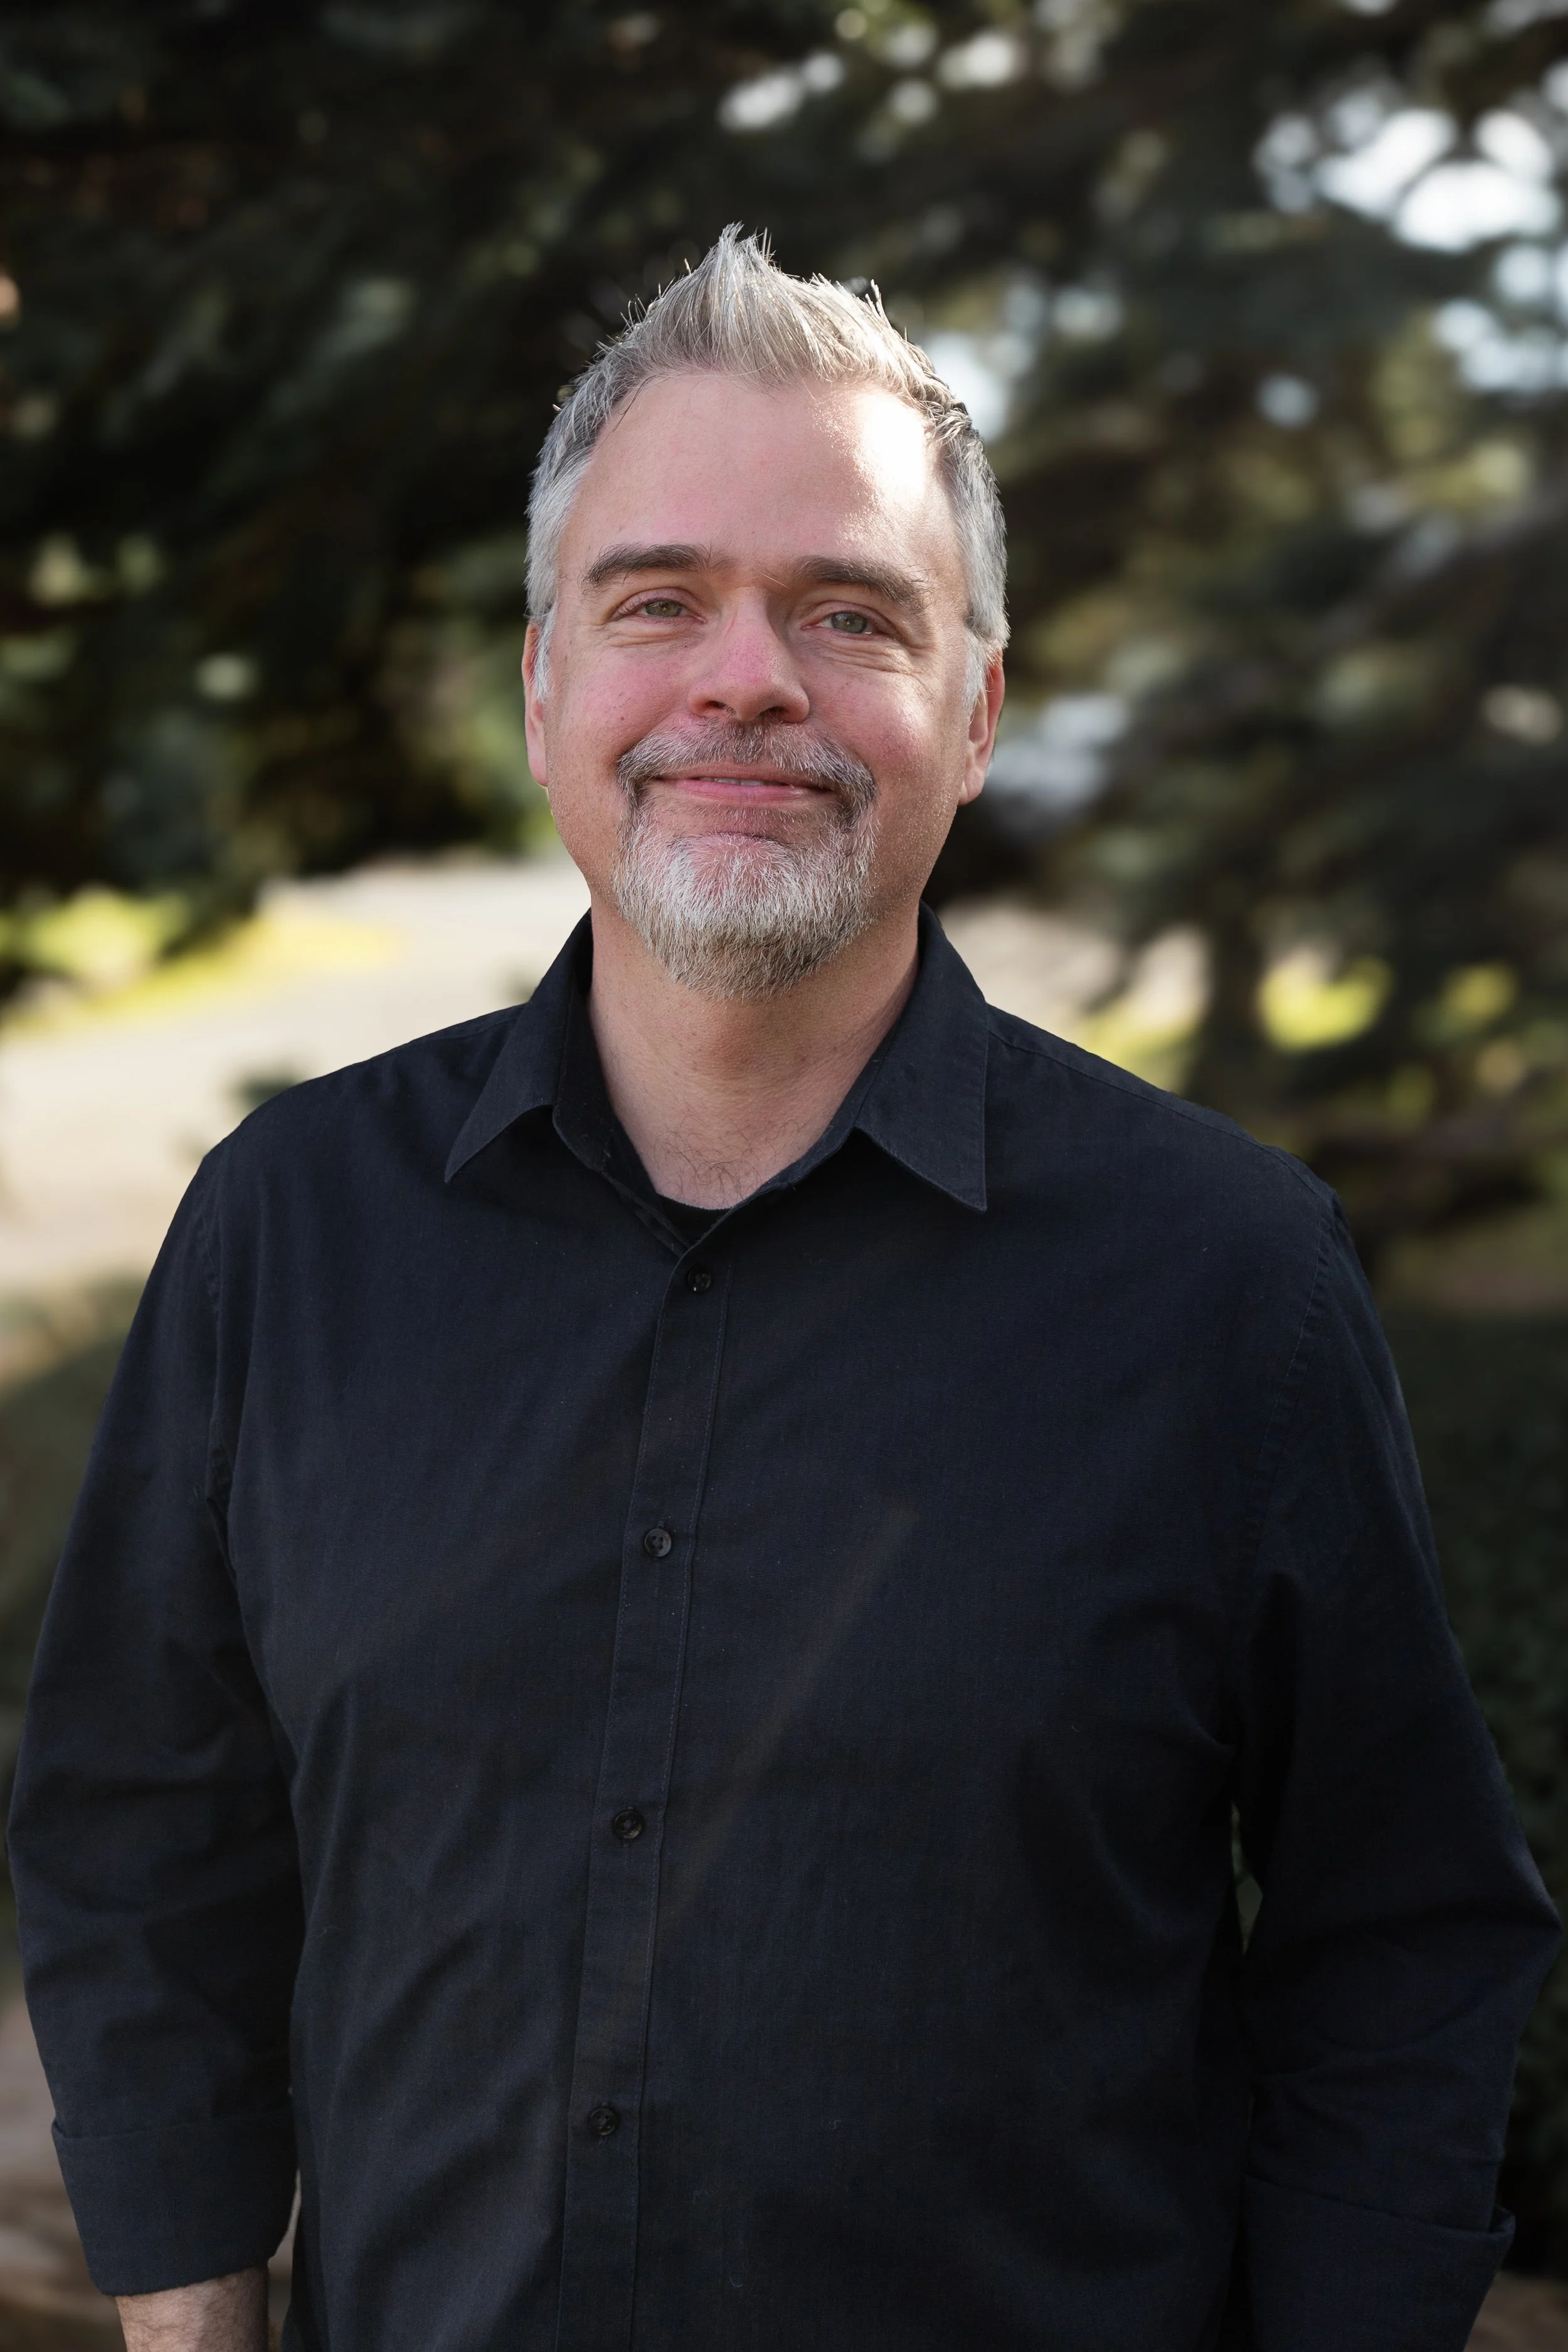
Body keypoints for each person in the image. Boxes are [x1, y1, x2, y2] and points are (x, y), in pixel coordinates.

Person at [9, 227, 1557, 2352]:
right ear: (546, 679)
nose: (747, 677)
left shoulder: (1225, 1279)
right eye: (659, 602)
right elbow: (137, 1825)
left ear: (976, 709)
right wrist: (192, 2318)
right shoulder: (286, 1229)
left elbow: (1404, 1939)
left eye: (849, 614)